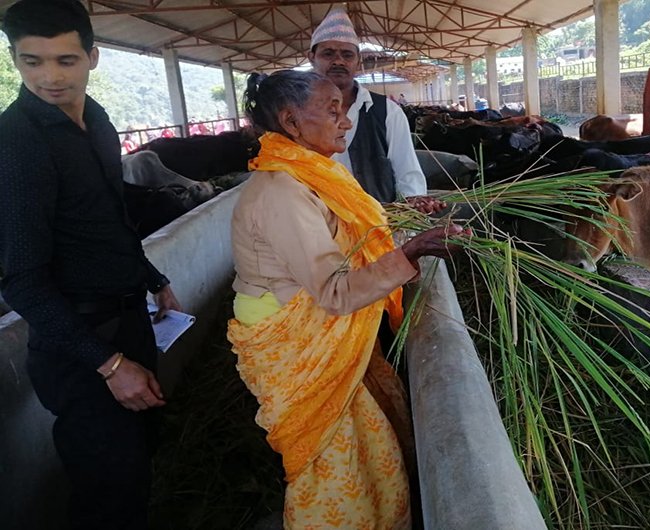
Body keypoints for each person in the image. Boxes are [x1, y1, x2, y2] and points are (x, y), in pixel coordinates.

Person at [227, 69, 468, 529]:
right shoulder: (282, 190)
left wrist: (399, 215)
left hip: (314, 324)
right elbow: (335, 291)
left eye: (345, 110)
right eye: (333, 111)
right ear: (291, 122)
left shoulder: (315, 173)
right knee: (333, 461)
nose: (346, 122)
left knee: (370, 439)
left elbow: (348, 231)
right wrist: (411, 252)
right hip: (291, 336)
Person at [0, 1, 182, 528]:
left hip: (127, 318)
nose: (49, 77)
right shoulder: (17, 144)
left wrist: (152, 278)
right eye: (31, 61)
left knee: (139, 457)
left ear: (93, 57)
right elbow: (23, 284)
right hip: (79, 345)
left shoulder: (96, 120)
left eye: (65, 60)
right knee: (107, 486)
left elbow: (107, 214)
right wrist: (108, 365)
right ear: (14, 60)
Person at [308, 5, 428, 204]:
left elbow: (408, 173)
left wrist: (412, 209)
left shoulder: (387, 112)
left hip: (378, 226)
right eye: (328, 53)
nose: (338, 61)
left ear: (358, 61)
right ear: (312, 58)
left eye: (347, 55)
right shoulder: (297, 113)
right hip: (317, 225)